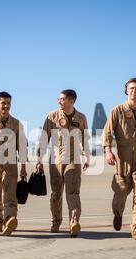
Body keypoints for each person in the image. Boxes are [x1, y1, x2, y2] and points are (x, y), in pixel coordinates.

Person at [103, 77, 136, 240]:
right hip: (122, 159)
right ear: (126, 91)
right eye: (131, 88)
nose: (134, 91)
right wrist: (108, 151)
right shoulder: (117, 110)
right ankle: (118, 213)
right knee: (121, 192)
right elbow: (107, 132)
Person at [36, 89, 90, 237]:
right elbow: (43, 140)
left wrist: (87, 157)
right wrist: (39, 159)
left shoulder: (81, 118)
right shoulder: (52, 117)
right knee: (56, 194)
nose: (59, 101)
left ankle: (74, 222)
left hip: (73, 161)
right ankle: (56, 222)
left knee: (73, 193)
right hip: (55, 162)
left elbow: (85, 140)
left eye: (62, 99)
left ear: (71, 101)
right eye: (59, 99)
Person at [0, 91, 28, 236]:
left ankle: (10, 220)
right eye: (3, 103)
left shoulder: (16, 124)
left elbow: (22, 147)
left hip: (10, 165)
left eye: (8, 103)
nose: (6, 106)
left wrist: (23, 167)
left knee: (10, 194)